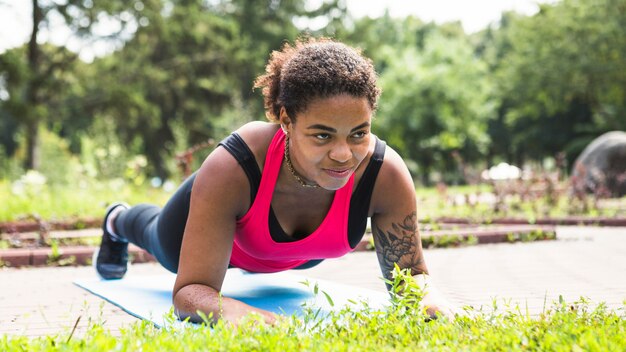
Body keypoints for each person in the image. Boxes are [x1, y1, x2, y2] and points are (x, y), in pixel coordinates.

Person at [95, 37, 457, 325]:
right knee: (155, 235)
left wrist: (429, 301)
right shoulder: (233, 166)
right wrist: (234, 312)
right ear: (286, 120)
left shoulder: (384, 174)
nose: (344, 154)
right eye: (322, 136)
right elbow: (190, 292)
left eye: (358, 133)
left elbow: (410, 277)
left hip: (294, 258)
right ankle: (117, 220)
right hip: (206, 238)